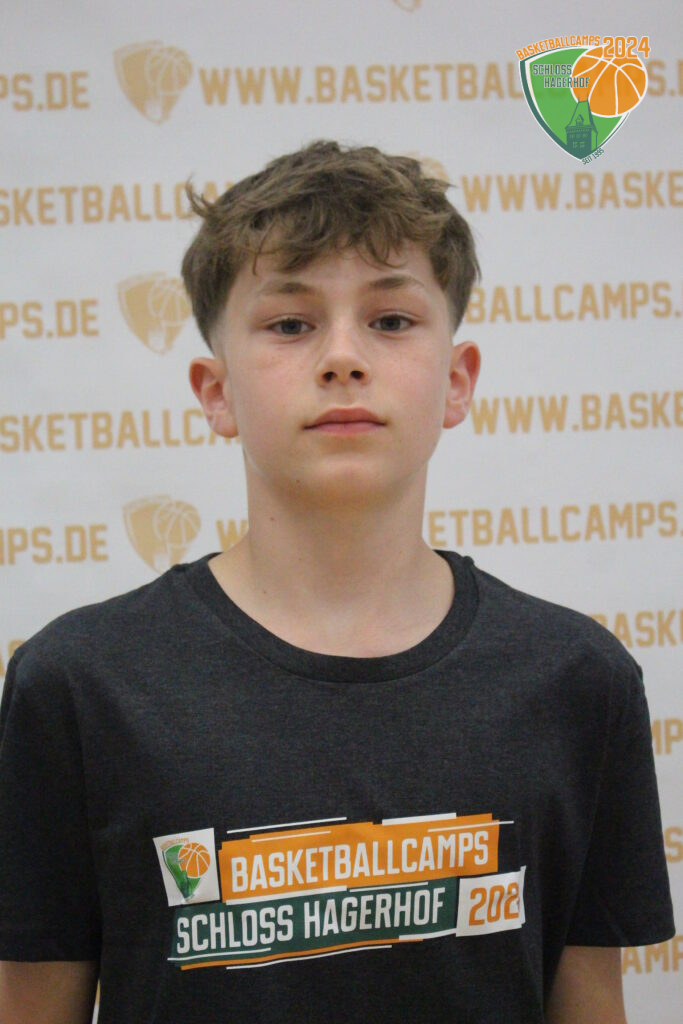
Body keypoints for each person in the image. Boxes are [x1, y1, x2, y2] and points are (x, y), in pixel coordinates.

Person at [0, 139, 674, 1024]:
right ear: (216, 391)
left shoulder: (577, 680)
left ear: (456, 382)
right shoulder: (80, 685)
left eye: (390, 319)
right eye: (290, 324)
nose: (343, 357)